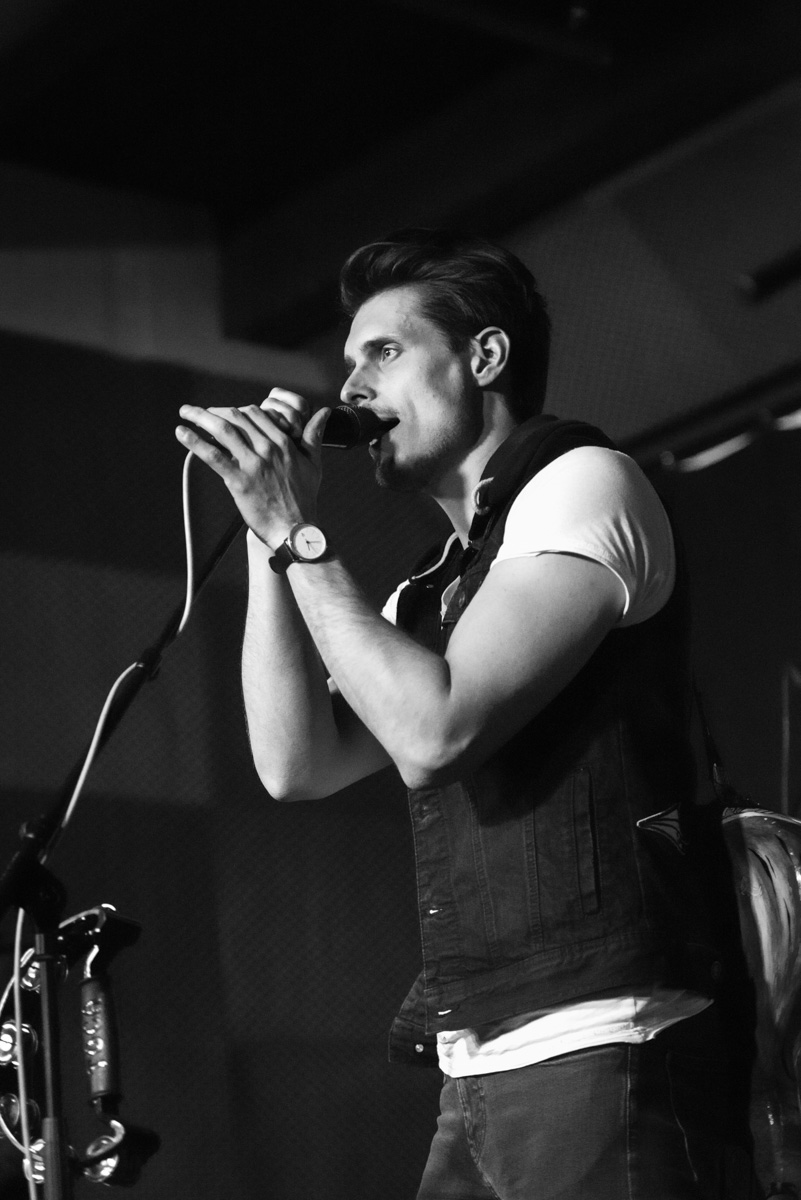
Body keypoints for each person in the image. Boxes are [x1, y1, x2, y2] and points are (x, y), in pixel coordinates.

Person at [174, 229, 739, 1198]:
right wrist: (272, 540)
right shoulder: (429, 594)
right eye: (349, 362)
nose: (352, 387)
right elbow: (293, 764)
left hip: (604, 1035)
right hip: (477, 1065)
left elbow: (434, 733)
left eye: (384, 352)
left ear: (484, 357)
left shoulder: (583, 483)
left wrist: (297, 531)